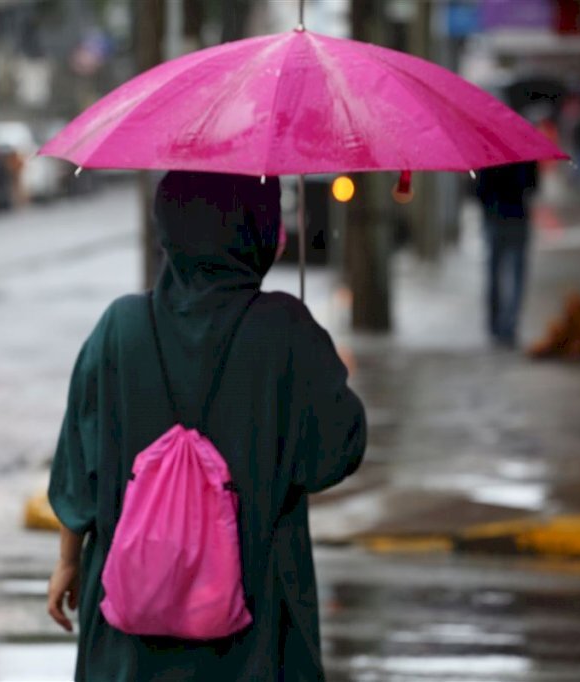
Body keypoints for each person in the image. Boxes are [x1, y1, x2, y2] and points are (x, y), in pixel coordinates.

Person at [46, 171, 367, 681]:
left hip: (130, 645)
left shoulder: (118, 327)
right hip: (259, 641)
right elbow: (337, 452)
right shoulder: (284, 329)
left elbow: (76, 469)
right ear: (259, 229)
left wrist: (67, 560)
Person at [474, 161, 539, 348]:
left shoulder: (488, 153)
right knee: (517, 275)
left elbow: (479, 191)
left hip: (494, 217)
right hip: (518, 216)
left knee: (494, 272)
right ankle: (509, 324)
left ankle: (495, 324)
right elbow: (533, 186)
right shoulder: (525, 154)